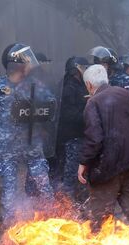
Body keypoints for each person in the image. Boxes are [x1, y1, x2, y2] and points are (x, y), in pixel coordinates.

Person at [77, 65, 129, 230]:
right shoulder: (124, 93)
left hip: (108, 166)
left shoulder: (92, 103)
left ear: (88, 84)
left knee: (100, 217)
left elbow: (94, 139)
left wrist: (84, 162)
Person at [0, 43, 56, 223]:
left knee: (44, 185)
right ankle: (10, 228)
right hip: (8, 148)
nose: (30, 66)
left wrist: (36, 109)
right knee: (9, 190)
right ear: (17, 64)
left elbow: (50, 108)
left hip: (32, 145)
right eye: (26, 62)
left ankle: (53, 222)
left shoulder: (35, 85)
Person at [55, 56, 90, 201]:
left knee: (78, 172)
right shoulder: (68, 87)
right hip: (71, 137)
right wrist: (87, 112)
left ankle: (77, 201)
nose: (86, 70)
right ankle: (67, 205)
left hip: (78, 135)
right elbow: (68, 114)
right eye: (83, 67)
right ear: (76, 69)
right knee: (71, 173)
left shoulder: (79, 84)